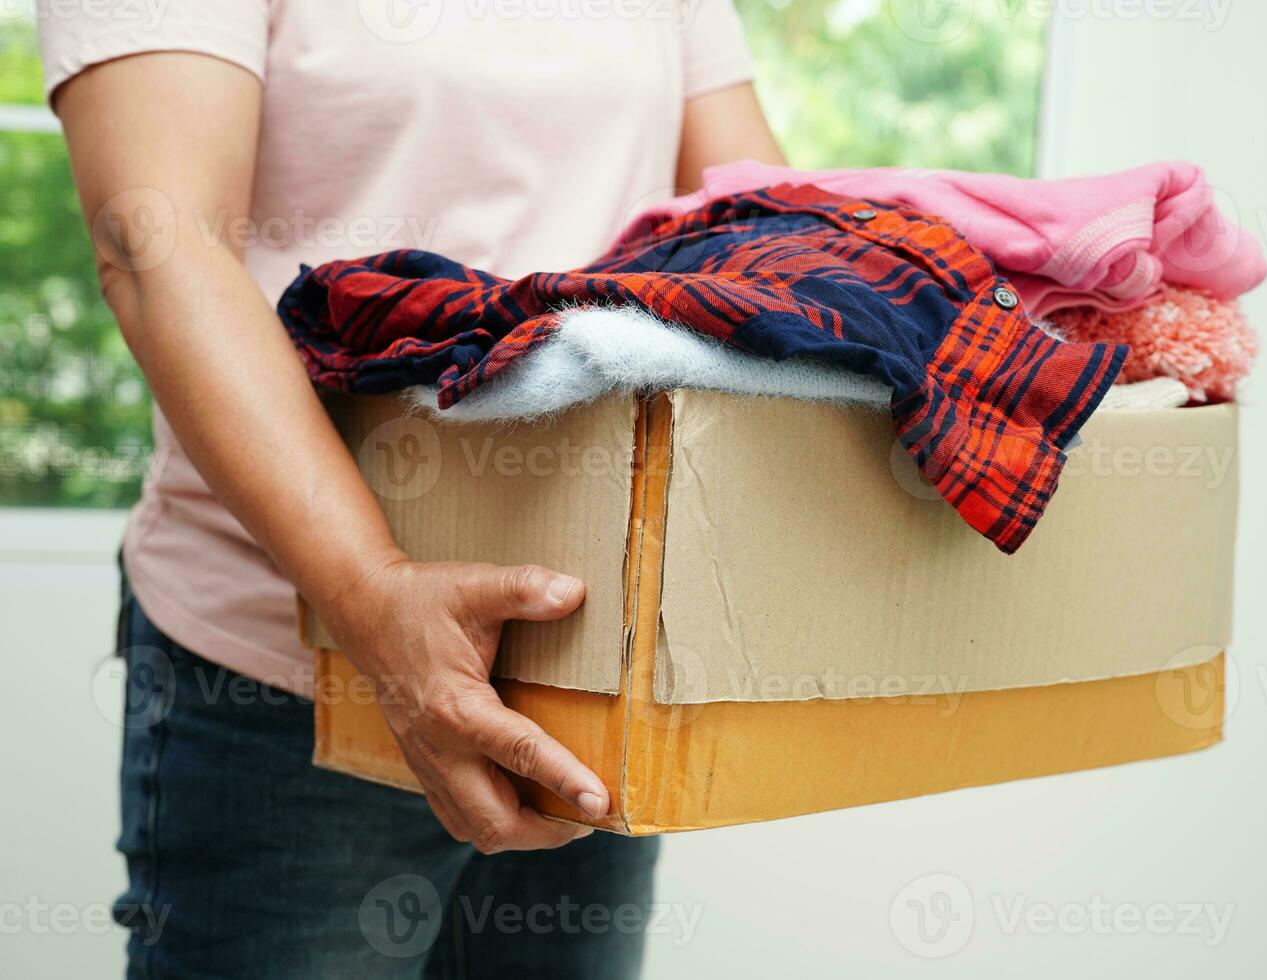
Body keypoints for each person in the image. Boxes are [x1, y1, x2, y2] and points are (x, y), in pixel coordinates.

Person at [40, 1, 785, 975]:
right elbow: (158, 245)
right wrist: (369, 590)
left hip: (582, 657)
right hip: (285, 663)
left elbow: (755, 223)